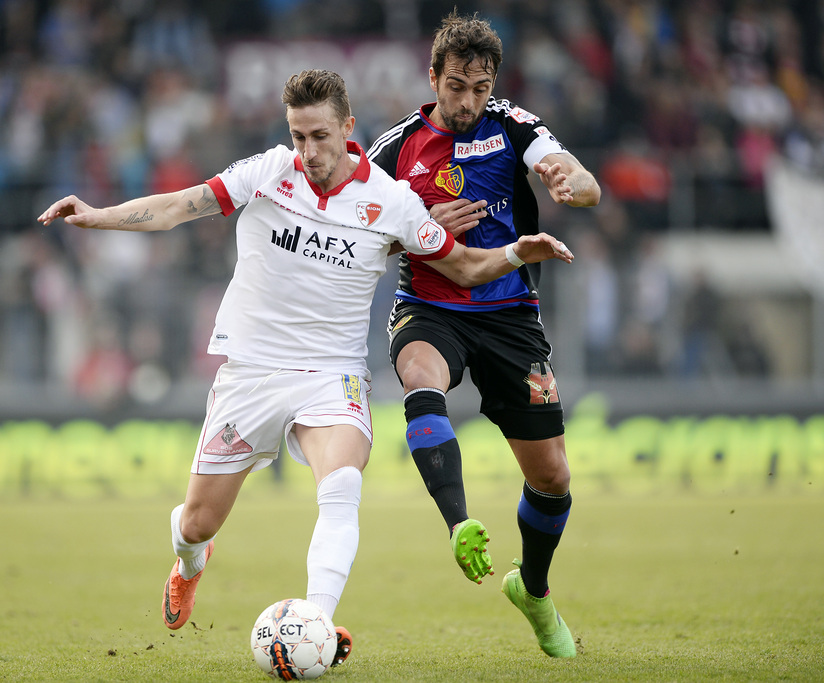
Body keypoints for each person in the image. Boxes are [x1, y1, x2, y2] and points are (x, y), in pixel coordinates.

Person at [38, 68, 574, 667]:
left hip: (333, 375)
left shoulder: (392, 201)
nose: (309, 151)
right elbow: (176, 208)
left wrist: (515, 251)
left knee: (342, 487)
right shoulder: (267, 172)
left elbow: (466, 266)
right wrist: (95, 214)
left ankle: (317, 623)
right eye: (298, 136)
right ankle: (189, 562)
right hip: (252, 371)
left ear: (348, 128)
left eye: (320, 136)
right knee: (196, 523)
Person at [367, 12, 601, 658]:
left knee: (553, 476)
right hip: (429, 306)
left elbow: (581, 180)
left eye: (480, 87)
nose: (469, 101)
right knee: (421, 378)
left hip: (508, 312)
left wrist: (572, 183)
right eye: (457, 86)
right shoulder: (395, 149)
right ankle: (458, 523)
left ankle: (534, 588)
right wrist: (418, 229)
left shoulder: (513, 125)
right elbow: (356, 235)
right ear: (433, 78)